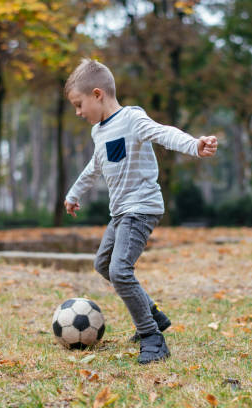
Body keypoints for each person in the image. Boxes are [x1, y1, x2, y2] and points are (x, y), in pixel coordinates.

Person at [63, 59, 218, 364]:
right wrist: (74, 193)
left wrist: (194, 145)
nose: (79, 113)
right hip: (120, 212)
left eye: (79, 105)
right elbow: (95, 167)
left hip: (141, 208)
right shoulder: (100, 133)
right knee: (103, 264)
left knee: (120, 271)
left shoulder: (132, 119)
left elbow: (164, 133)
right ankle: (153, 315)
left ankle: (151, 337)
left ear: (98, 94)